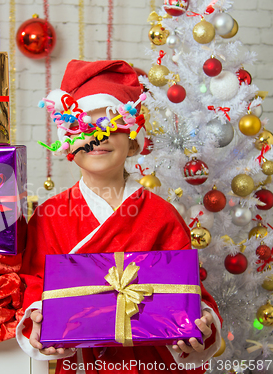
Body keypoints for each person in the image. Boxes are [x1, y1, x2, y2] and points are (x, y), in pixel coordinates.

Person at [15, 60, 222, 374]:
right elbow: (33, 285)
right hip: (80, 364)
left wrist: (201, 322)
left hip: (148, 364)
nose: (98, 139)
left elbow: (189, 290)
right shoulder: (47, 217)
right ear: (68, 141)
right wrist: (39, 323)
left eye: (111, 127)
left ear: (133, 140)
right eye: (83, 127)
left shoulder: (161, 215)